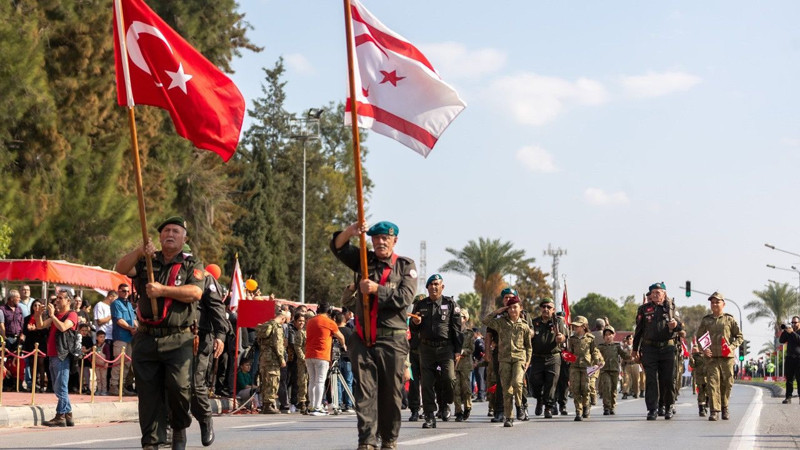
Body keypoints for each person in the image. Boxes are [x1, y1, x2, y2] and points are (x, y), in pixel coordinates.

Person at [115, 216, 204, 450]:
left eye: (175, 231)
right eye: (166, 231)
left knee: (179, 388)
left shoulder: (191, 264)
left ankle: (179, 428)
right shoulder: (147, 261)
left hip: (178, 337)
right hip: (146, 336)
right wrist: (139, 251)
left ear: (184, 238)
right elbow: (121, 268)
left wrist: (162, 290)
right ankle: (151, 442)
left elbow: (195, 292)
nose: (170, 234)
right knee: (148, 393)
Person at [330, 220, 416, 450]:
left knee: (391, 394)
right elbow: (338, 247)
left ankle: (388, 439)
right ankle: (366, 442)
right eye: (376, 238)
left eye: (385, 238)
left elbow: (405, 298)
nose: (380, 242)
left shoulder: (405, 266)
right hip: (363, 337)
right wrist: (350, 231)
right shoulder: (364, 261)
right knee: (365, 392)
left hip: (393, 339)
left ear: (394, 240)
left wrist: (379, 290)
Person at [409, 274, 463, 428]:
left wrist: (458, 350)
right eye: (430, 284)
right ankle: (430, 416)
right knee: (426, 384)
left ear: (442, 287)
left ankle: (446, 402)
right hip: (426, 349)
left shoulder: (450, 304)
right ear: (427, 288)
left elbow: (457, 329)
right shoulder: (420, 305)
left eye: (436, 284)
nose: (433, 287)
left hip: (446, 349)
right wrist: (415, 322)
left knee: (448, 378)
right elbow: (413, 328)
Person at [188, 263, 230, 447]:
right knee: (170, 384)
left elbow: (216, 308)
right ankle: (169, 429)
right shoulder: (167, 273)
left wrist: (220, 335)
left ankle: (205, 420)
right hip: (172, 337)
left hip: (200, 337)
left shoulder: (204, 277)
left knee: (196, 386)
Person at [632, 282, 682, 420]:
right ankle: (652, 409)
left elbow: (681, 326)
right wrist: (635, 349)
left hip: (667, 348)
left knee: (667, 379)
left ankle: (668, 406)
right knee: (651, 380)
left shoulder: (671, 308)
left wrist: (675, 325)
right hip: (649, 349)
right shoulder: (644, 309)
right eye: (653, 292)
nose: (655, 295)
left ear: (664, 294)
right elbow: (639, 331)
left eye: (658, 292)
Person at [482, 296, 532, 428]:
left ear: (520, 308)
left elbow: (529, 347)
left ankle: (519, 405)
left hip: (519, 358)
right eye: (510, 308)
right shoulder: (501, 322)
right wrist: (498, 311)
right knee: (506, 390)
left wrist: (527, 361)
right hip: (504, 359)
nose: (512, 310)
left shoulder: (524, 326)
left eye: (515, 307)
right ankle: (509, 417)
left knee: (517, 382)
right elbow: (485, 320)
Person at [696, 291, 743, 421]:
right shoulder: (706, 320)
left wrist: (731, 347)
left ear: (723, 304)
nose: (715, 304)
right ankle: (714, 410)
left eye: (717, 302)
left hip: (726, 357)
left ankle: (725, 407)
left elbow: (739, 337)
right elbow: (700, 336)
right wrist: (704, 349)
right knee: (712, 383)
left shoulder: (729, 319)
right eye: (712, 302)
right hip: (711, 358)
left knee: (727, 383)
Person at [35, 289, 78, 427]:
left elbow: (64, 327)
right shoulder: (57, 315)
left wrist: (53, 316)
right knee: (57, 386)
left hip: (63, 354)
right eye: (57, 298)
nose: (57, 300)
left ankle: (60, 416)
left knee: (61, 387)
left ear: (68, 301)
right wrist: (38, 314)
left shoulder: (71, 315)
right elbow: (40, 325)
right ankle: (68, 414)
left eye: (60, 298)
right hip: (52, 354)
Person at [305, 300, 347, 416]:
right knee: (320, 381)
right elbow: (341, 337)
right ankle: (317, 407)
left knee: (312, 381)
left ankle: (312, 405)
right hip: (322, 355)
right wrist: (344, 345)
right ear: (329, 311)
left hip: (309, 354)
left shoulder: (310, 321)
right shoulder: (329, 322)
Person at [528, 298, 567, 419]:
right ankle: (539, 399)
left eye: (549, 307)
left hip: (553, 357)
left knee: (551, 383)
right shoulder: (534, 322)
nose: (546, 309)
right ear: (540, 308)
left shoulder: (558, 322)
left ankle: (548, 408)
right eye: (543, 307)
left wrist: (560, 338)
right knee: (535, 382)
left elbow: (564, 336)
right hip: (537, 358)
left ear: (553, 310)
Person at [566, 316, 604, 421]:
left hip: (586, 366)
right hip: (574, 366)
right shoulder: (572, 339)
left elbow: (594, 351)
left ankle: (586, 406)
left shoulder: (590, 338)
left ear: (583, 326)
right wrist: (566, 356)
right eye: (574, 326)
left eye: (577, 326)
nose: (575, 328)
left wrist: (596, 363)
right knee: (575, 389)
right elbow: (570, 352)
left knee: (586, 388)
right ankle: (578, 411)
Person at [257, 310, 290, 414]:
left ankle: (264, 404)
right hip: (273, 359)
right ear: (283, 318)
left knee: (265, 380)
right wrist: (282, 358)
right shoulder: (277, 327)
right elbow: (278, 344)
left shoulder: (266, 325)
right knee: (273, 380)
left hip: (263, 357)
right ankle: (269, 405)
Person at [597, 326, 631, 415]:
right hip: (605, 370)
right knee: (606, 388)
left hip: (615, 370)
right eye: (606, 335)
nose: (608, 337)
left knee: (613, 389)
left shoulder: (617, 346)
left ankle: (612, 406)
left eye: (610, 334)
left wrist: (633, 357)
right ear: (603, 337)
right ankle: (606, 407)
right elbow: (595, 356)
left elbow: (624, 355)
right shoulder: (600, 347)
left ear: (613, 335)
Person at [110, 283, 136, 396]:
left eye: (127, 291)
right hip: (120, 337)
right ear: (119, 291)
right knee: (118, 363)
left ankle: (122, 386)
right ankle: (114, 386)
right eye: (124, 291)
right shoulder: (116, 303)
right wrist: (131, 328)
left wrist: (137, 328)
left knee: (127, 364)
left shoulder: (129, 304)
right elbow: (119, 320)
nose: (126, 293)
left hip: (129, 337)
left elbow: (134, 319)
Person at [20, 299, 48, 393]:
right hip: (30, 343)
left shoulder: (44, 317)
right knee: (32, 364)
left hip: (41, 344)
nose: (36, 307)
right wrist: (29, 330)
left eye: (38, 305)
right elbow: (24, 332)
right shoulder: (27, 318)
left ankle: (42, 385)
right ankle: (33, 384)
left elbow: (46, 331)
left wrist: (36, 329)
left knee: (40, 363)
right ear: (32, 307)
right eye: (35, 305)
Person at [407, 294, 425, 422]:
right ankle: (414, 410)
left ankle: (429, 410)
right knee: (413, 385)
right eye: (416, 304)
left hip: (428, 354)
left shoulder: (430, 318)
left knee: (428, 383)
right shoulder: (409, 320)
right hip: (413, 353)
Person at [453, 310, 474, 422]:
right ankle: (458, 411)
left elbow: (471, 349)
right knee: (456, 389)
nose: (458, 318)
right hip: (454, 364)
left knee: (466, 388)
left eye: (460, 316)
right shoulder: (452, 331)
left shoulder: (469, 333)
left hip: (465, 364)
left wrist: (462, 351)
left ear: (465, 318)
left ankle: (467, 407)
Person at [335, 311, 355, 412]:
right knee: (348, 381)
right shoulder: (349, 331)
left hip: (336, 358)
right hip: (348, 358)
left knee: (337, 382)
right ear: (344, 320)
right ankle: (348, 404)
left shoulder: (334, 331)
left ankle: (338, 403)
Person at [288, 311, 308, 413]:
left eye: (303, 321)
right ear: (295, 321)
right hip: (301, 361)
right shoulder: (299, 333)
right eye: (299, 321)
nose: (301, 323)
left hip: (309, 360)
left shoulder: (306, 332)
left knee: (308, 382)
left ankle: (307, 401)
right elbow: (297, 347)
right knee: (302, 382)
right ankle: (302, 402)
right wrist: (303, 358)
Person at [779, 315, 800, 404]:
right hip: (790, 358)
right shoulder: (789, 332)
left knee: (799, 379)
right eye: (792, 322)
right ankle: (788, 397)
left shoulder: (796, 332)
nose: (793, 324)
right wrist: (785, 330)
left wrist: (792, 333)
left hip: (799, 359)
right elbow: (781, 340)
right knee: (789, 380)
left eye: (795, 322)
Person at [689, 344, 709, 416]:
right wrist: (691, 359)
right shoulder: (695, 357)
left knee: (708, 392)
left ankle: (707, 404)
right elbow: (692, 365)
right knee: (701, 393)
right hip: (699, 377)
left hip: (708, 377)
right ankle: (701, 409)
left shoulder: (707, 354)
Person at [93, 330, 113, 396]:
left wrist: (107, 363)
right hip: (97, 365)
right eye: (100, 337)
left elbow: (108, 355)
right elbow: (92, 354)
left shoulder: (106, 346)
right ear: (96, 338)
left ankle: (104, 390)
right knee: (98, 378)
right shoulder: (95, 346)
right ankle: (99, 390)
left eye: (103, 337)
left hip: (104, 365)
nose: (102, 338)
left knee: (103, 378)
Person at [620, 335, 638, 399]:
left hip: (635, 364)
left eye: (631, 339)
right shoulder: (624, 349)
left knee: (635, 379)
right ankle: (625, 393)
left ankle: (636, 393)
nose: (629, 340)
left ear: (633, 339)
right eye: (628, 339)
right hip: (627, 365)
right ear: (626, 340)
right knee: (626, 380)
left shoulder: (636, 348)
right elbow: (622, 358)